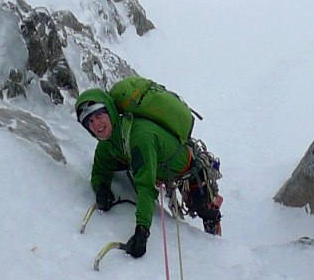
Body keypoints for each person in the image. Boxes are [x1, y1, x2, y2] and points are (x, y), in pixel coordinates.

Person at [75, 85, 222, 258]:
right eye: (90, 122)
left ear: (110, 113)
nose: (96, 124)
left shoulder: (140, 137)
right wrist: (102, 189)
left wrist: (142, 230)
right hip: (157, 168)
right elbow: (100, 171)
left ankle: (213, 223)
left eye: (99, 115)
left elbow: (145, 187)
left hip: (187, 169)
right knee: (128, 165)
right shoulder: (106, 145)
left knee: (200, 207)